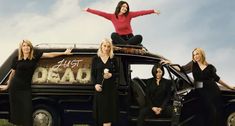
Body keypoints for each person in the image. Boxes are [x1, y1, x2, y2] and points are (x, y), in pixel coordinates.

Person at [0, 40, 73, 126]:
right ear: (21, 48)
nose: (26, 47)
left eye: (28, 46)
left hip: (25, 88)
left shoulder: (35, 57)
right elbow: (12, 73)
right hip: (15, 87)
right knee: (17, 111)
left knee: (27, 110)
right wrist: (7, 86)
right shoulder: (16, 59)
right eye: (24, 45)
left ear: (30, 48)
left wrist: (64, 53)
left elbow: (50, 55)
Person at [161, 48, 235, 126]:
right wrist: (169, 63)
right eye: (194, 54)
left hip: (213, 90)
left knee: (216, 112)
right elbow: (181, 69)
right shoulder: (193, 64)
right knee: (208, 112)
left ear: (201, 54)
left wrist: (229, 86)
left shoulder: (210, 67)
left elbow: (217, 79)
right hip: (201, 91)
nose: (195, 56)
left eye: (197, 54)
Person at [84, 1, 160, 46]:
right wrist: (88, 9)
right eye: (123, 6)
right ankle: (127, 45)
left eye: (126, 7)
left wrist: (153, 11)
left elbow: (141, 13)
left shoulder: (129, 15)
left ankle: (126, 45)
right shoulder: (112, 16)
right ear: (119, 7)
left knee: (139, 37)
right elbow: (100, 13)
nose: (125, 8)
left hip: (130, 38)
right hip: (120, 39)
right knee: (113, 35)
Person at [91, 38, 119, 126]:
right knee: (101, 114)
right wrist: (95, 85)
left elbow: (117, 74)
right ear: (101, 46)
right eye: (105, 46)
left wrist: (111, 75)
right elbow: (92, 75)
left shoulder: (113, 59)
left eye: (108, 46)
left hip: (110, 90)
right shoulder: (96, 59)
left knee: (109, 113)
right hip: (100, 89)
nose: (106, 48)